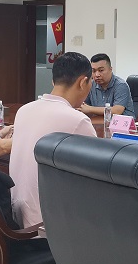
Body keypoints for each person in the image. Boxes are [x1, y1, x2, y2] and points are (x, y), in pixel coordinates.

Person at [10, 52, 97, 228]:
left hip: (16, 214)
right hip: (47, 224)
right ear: (83, 82)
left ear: (53, 81)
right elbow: (98, 173)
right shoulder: (77, 120)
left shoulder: (24, 110)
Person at [79, 53, 135, 118]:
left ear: (110, 69)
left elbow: (117, 111)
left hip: (122, 123)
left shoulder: (121, 85)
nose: (97, 75)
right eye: (93, 71)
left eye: (101, 70)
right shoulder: (91, 84)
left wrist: (90, 109)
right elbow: (84, 106)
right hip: (99, 122)